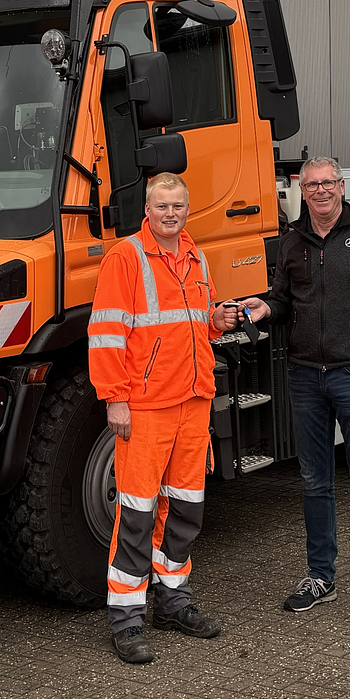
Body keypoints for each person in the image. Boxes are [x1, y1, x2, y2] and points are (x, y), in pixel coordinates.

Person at [240, 156, 350, 630]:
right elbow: (283, 301)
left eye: (328, 183)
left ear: (341, 185)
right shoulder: (291, 243)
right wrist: (263, 308)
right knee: (314, 482)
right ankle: (320, 577)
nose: (320, 191)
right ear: (301, 190)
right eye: (311, 185)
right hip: (306, 376)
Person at [88, 171, 242, 664]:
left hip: (193, 401)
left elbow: (193, 325)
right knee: (136, 513)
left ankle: (173, 601)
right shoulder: (126, 257)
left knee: (186, 507)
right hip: (147, 406)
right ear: (147, 211)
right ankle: (127, 617)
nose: (170, 213)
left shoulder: (195, 256)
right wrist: (114, 398)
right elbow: (107, 333)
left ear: (187, 209)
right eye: (161, 206)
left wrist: (216, 321)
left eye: (178, 206)